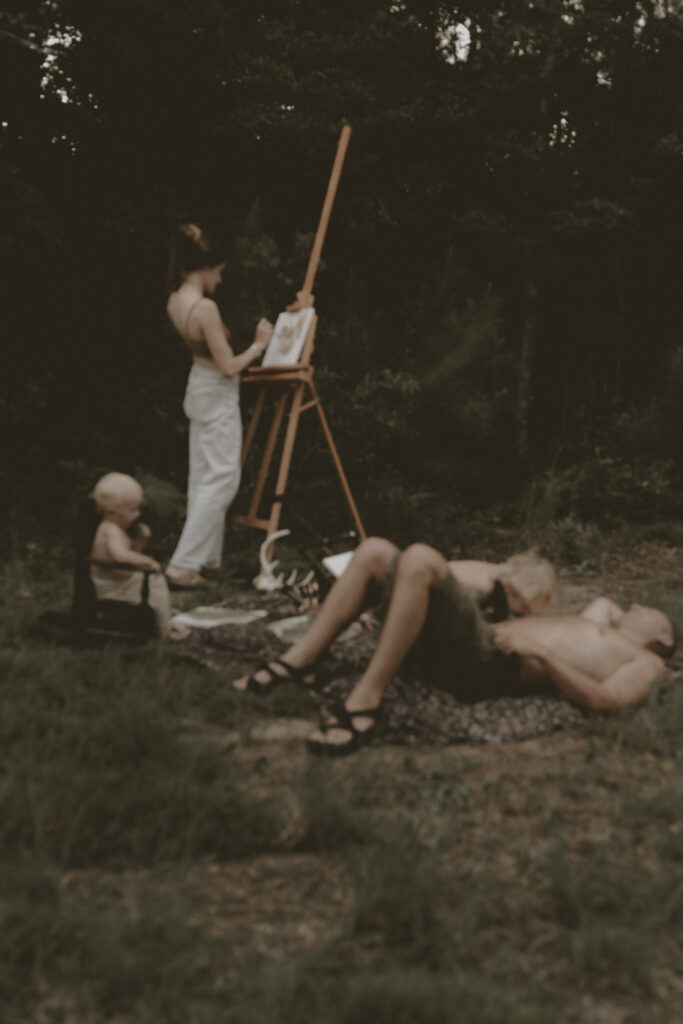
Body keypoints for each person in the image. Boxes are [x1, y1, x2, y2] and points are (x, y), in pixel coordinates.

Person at [232, 538, 675, 756]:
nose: (635, 604)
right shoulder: (601, 620)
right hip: (476, 645)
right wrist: (619, 618)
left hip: (491, 666)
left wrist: (543, 656)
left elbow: (607, 703)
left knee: (422, 558)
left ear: (665, 637)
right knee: (374, 551)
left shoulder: (647, 662)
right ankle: (298, 660)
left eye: (648, 609)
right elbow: (606, 606)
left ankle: (364, 700)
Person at [164, 223, 274, 589]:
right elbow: (229, 366)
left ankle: (204, 558)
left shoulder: (175, 299)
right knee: (223, 479)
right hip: (217, 392)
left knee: (203, 477)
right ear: (206, 267)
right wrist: (259, 345)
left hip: (198, 388)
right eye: (219, 272)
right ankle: (183, 565)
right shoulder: (205, 307)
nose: (221, 280)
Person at [90, 472, 188, 639]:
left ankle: (161, 614)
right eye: (132, 510)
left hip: (120, 581)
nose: (137, 514)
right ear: (111, 512)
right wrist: (148, 561)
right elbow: (121, 556)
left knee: (153, 583)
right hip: (109, 586)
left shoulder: (116, 529)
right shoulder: (110, 530)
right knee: (155, 583)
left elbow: (130, 556)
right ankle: (165, 629)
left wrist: (141, 540)